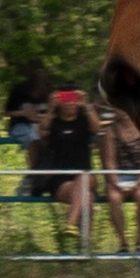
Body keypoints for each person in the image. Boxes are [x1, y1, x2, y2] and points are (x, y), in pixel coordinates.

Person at [25, 86, 95, 242]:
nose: (70, 103)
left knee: (84, 179)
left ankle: (70, 225)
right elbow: (41, 130)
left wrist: (87, 105)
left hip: (85, 174)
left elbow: (96, 127)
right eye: (66, 99)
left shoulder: (84, 121)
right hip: (61, 180)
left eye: (73, 99)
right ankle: (86, 248)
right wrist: (51, 109)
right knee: (88, 198)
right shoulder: (54, 124)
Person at [96, 99, 140, 252]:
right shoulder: (110, 131)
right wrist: (115, 180)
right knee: (114, 197)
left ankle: (139, 239)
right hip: (119, 176)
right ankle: (123, 242)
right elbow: (109, 161)